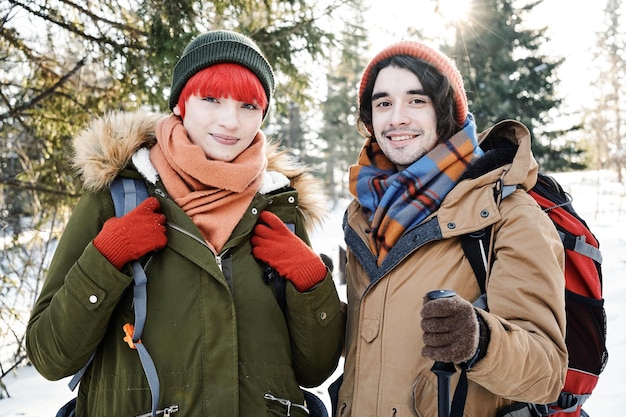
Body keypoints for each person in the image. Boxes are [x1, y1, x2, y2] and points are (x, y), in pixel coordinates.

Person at [25, 30, 343, 417]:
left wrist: (311, 283)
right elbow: (50, 356)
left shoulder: (279, 208)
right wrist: (105, 260)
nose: (230, 120)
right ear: (181, 103)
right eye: (211, 99)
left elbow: (315, 370)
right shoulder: (115, 198)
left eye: (248, 105)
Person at [333, 41, 568, 417]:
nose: (397, 118)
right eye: (383, 103)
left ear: (445, 112)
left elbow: (547, 373)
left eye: (416, 100)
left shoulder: (509, 214)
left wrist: (480, 339)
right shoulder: (364, 215)